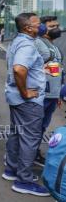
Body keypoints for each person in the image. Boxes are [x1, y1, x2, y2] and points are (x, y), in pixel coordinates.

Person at [3, 13, 50, 197]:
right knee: (30, 138)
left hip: (16, 99)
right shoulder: (27, 45)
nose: (42, 27)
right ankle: (23, 180)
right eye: (39, 24)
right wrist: (26, 92)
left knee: (16, 133)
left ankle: (11, 170)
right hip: (27, 101)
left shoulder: (17, 41)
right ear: (28, 28)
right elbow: (19, 69)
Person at [33, 16, 63, 166]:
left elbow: (56, 71)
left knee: (42, 126)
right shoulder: (38, 43)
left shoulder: (54, 47)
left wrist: (57, 93)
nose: (57, 28)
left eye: (57, 25)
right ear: (43, 29)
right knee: (34, 126)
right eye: (52, 26)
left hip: (52, 94)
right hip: (41, 93)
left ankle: (33, 152)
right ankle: (23, 155)